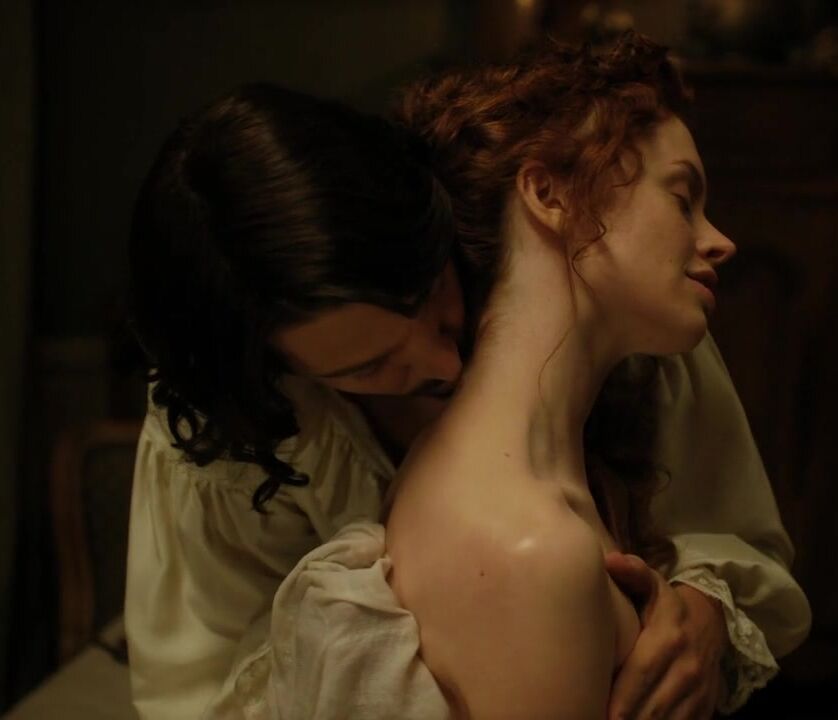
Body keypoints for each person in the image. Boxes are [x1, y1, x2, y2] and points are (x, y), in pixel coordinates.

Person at [125, 37, 809, 720]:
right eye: (368, 366)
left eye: (433, 300)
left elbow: (741, 532)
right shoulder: (234, 438)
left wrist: (706, 613)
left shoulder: (621, 310)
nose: (445, 364)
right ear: (285, 377)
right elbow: (195, 692)